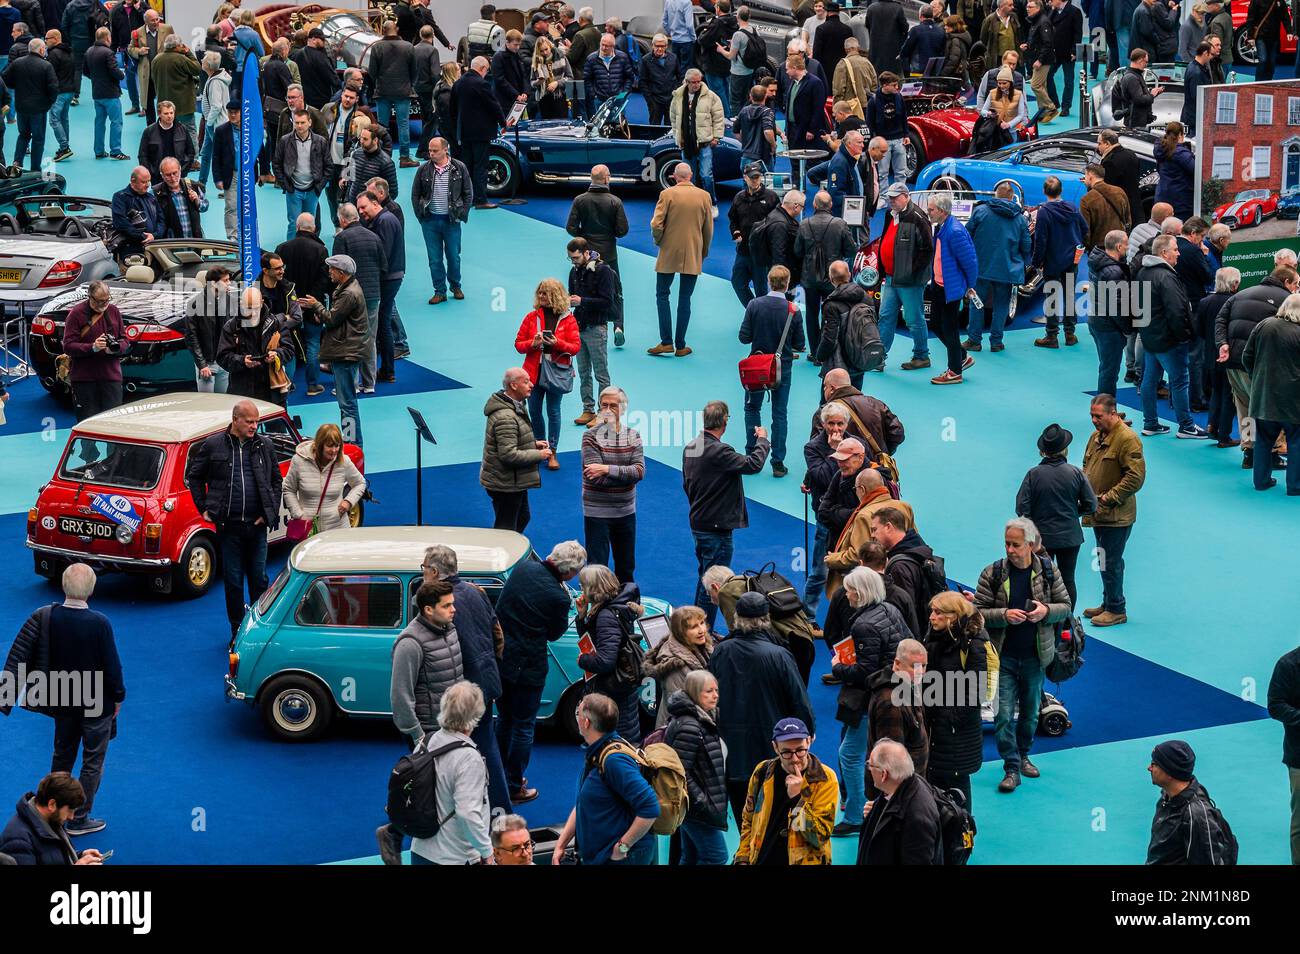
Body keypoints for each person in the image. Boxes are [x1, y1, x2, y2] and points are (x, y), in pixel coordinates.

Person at [972, 517, 1072, 793]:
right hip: (1002, 656)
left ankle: (1024, 754)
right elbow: (977, 613)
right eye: (1007, 543)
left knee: (1029, 714)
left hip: (1035, 656)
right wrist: (1003, 615)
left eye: (1015, 544)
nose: (1010, 550)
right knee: (1003, 715)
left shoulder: (1049, 572)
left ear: (1030, 545)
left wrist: (1045, 612)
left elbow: (1065, 606)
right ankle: (1011, 766)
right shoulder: (992, 573)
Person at [709, 592, 815, 824]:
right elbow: (798, 700)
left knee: (744, 820)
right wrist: (806, 733)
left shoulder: (720, 652)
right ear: (766, 618)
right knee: (777, 818)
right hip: (773, 751)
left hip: (732, 752)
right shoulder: (780, 655)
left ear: (737, 618)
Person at [497, 540, 586, 803]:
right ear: (569, 573)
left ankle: (497, 775)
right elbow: (555, 633)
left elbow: (501, 607)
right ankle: (514, 785)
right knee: (524, 726)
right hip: (529, 666)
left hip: (503, 659)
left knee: (504, 720)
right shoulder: (559, 597)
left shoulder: (523, 569)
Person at [185, 400, 282, 638]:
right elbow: (193, 477)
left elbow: (276, 480)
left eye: (257, 421)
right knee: (234, 582)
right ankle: (237, 631)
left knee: (259, 581)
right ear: (235, 419)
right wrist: (204, 508)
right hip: (229, 529)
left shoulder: (265, 445)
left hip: (257, 527)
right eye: (249, 421)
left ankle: (260, 632)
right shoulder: (212, 445)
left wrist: (268, 512)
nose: (254, 426)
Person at [830, 566, 913, 834]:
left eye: (850, 589)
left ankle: (855, 814)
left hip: (872, 699)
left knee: (850, 754)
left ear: (860, 591)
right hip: (897, 694)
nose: (847, 594)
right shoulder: (890, 609)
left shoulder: (863, 624)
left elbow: (865, 672)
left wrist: (838, 667)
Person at [683, 401, 770, 626]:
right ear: (724, 422)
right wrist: (763, 440)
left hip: (700, 522)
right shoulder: (721, 451)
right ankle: (702, 632)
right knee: (714, 584)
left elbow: (687, 484)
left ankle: (695, 628)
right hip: (716, 528)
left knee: (704, 578)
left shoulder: (692, 446)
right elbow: (754, 464)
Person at [553, 692, 660, 865]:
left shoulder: (614, 761)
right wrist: (561, 844)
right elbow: (582, 803)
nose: (577, 717)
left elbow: (650, 807)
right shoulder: (598, 752)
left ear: (586, 723)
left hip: (622, 859)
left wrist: (622, 847)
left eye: (578, 712)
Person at [1216, 263, 1296, 472]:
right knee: (1270, 409)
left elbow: (1220, 319)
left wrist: (1222, 344)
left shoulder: (1241, 294)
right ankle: (1272, 453)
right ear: (1286, 282)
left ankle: (1250, 452)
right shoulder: (1286, 300)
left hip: (1233, 361)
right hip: (1260, 365)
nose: (1297, 288)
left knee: (1245, 408)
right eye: (1296, 284)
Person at [1135, 234, 1209, 439]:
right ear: (1164, 253)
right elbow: (1177, 310)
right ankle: (1186, 425)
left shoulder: (1142, 272)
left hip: (1150, 336)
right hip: (1168, 340)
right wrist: (1185, 335)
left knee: (1149, 381)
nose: (1179, 253)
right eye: (1175, 249)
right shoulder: (1167, 277)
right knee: (1179, 381)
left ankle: (1150, 423)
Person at [734, 715, 836, 864]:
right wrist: (743, 858)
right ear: (775, 747)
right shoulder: (762, 771)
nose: (795, 758)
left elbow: (818, 837)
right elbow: (748, 820)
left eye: (800, 750)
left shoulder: (824, 779)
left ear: (809, 741)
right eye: (786, 752)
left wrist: (797, 800)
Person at [1081, 392, 1146, 627]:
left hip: (1116, 515)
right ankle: (1108, 602)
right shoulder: (1095, 437)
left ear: (1113, 413)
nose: (1094, 420)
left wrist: (1108, 498)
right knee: (1103, 559)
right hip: (1098, 512)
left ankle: (1117, 608)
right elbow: (1087, 466)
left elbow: (1135, 478)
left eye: (1098, 416)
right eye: (1091, 415)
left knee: (1111, 561)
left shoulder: (1128, 440)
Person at [1016, 424, 1097, 608]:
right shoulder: (1076, 473)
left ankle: (1041, 619)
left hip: (1041, 539)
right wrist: (1072, 512)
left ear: (1042, 451)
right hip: (1070, 537)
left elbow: (1021, 508)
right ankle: (1066, 621)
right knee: (1068, 580)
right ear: (1064, 449)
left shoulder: (1033, 474)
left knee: (1039, 581)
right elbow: (1091, 504)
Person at [922, 591, 987, 810]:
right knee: (933, 790)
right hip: (935, 729)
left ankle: (963, 839)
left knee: (958, 796)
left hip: (957, 735)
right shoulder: (933, 636)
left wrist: (948, 717)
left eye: (938, 612)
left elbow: (975, 694)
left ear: (954, 616)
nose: (932, 616)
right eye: (932, 611)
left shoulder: (973, 644)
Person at [740, 265, 806, 477]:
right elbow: (800, 343)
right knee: (779, 413)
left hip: (757, 367)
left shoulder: (754, 304)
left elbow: (744, 337)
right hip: (782, 368)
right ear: (787, 285)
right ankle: (778, 462)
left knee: (752, 409)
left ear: (769, 281)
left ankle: (752, 454)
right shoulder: (793, 310)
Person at [661, 670, 726, 865]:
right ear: (695, 693)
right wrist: (700, 800)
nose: (715, 695)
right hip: (697, 807)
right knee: (716, 856)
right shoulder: (690, 726)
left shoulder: (702, 718)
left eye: (716, 690)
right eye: (708, 691)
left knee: (690, 856)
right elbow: (680, 772)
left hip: (695, 806)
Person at [648, 163, 714, 356]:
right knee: (685, 298)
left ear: (674, 177)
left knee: (662, 295)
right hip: (692, 252)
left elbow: (656, 224)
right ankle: (681, 344)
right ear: (691, 175)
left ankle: (666, 342)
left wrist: (659, 241)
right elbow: (708, 229)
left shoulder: (667, 194)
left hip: (669, 250)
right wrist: (702, 251)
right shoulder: (704, 196)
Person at [512, 279, 579, 470]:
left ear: (555, 296)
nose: (541, 296)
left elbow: (575, 347)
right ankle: (540, 448)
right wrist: (532, 344)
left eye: (545, 293)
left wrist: (557, 342)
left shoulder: (569, 319)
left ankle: (553, 452)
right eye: (540, 293)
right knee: (533, 410)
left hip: (556, 373)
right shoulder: (531, 317)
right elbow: (518, 344)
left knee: (554, 412)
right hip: (533, 372)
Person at [581, 385, 643, 582]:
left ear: (623, 409)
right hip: (597, 512)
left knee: (626, 568)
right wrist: (625, 476)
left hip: (626, 511)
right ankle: (596, 612)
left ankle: (625, 609)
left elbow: (639, 472)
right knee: (597, 571)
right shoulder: (590, 437)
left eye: (613, 405)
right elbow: (594, 477)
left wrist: (607, 469)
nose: (608, 410)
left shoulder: (633, 435)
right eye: (604, 405)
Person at [575, 566, 643, 742]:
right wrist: (582, 618)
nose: (581, 590)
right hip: (622, 688)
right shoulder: (619, 604)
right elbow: (594, 640)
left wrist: (584, 660)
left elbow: (605, 661)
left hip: (612, 691)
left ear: (593, 589)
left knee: (615, 746)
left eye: (583, 586)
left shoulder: (605, 615)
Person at [481, 366, 553, 531]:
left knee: (521, 517)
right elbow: (508, 454)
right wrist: (538, 454)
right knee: (506, 528)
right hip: (505, 484)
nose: (532, 385)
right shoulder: (506, 417)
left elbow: (508, 441)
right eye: (526, 381)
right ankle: (505, 555)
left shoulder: (513, 406)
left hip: (511, 481)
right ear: (513, 386)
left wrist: (532, 444)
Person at [1243, 292, 1300, 495]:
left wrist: (1257, 377)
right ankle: (1295, 485)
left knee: (1263, 441)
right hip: (1293, 398)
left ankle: (1261, 480)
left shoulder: (1263, 325)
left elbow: (1246, 356)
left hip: (1263, 395)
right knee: (1296, 441)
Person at [825, 467, 915, 597]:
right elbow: (912, 536)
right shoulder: (904, 507)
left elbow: (859, 554)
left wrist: (832, 559)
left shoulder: (865, 515)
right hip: (902, 573)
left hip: (868, 587)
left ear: (862, 489)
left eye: (855, 489)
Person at [963, 181, 1030, 353]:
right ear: (1011, 196)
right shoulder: (1020, 219)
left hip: (982, 267)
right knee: (1001, 305)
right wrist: (1024, 261)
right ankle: (996, 342)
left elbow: (967, 236)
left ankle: (974, 340)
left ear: (996, 195)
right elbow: (1026, 245)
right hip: (1007, 269)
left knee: (977, 303)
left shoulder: (980, 211)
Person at [1146, 740, 1236, 864]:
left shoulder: (1196, 815)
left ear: (1169, 771)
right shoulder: (1166, 797)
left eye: (1154, 764)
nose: (1149, 768)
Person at [875, 182, 934, 369]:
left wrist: (911, 273)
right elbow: (884, 239)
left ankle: (922, 355)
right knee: (885, 316)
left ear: (906, 196)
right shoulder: (889, 215)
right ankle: (879, 358)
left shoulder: (918, 218)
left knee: (914, 319)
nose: (891, 201)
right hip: (892, 278)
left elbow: (927, 250)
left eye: (895, 197)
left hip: (910, 281)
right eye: (889, 198)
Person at [856, 739, 942, 864]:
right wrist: (877, 814)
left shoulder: (917, 820)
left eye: (870, 765)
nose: (869, 768)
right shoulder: (902, 783)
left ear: (884, 775)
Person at [408, 137, 471, 308]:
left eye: (435, 150)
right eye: (430, 150)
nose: (431, 153)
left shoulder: (459, 168)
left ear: (445, 150)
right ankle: (439, 291)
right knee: (434, 259)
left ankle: (456, 286)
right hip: (430, 222)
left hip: (452, 221)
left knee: (453, 257)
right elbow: (415, 194)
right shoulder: (423, 170)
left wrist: (462, 214)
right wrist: (420, 217)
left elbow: (468, 193)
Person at [925, 192, 980, 386]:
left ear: (941, 211)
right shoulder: (941, 227)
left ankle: (955, 371)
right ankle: (962, 356)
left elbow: (970, 261)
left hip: (951, 288)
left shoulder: (954, 232)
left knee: (949, 328)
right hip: (940, 285)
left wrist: (970, 286)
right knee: (936, 324)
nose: (928, 212)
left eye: (931, 209)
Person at [332, 202, 386, 393]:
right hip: (373, 295)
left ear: (342, 220)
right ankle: (369, 383)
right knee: (369, 339)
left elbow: (337, 271)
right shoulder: (374, 237)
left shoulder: (342, 238)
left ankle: (351, 384)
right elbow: (383, 266)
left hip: (351, 297)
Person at [796, 189, 856, 357]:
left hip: (810, 279)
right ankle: (827, 351)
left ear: (814, 205)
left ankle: (815, 352)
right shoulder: (840, 224)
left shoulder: (804, 224)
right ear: (830, 205)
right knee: (831, 314)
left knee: (811, 314)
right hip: (833, 278)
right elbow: (851, 250)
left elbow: (797, 251)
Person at [275, 214, 330, 396]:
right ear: (313, 228)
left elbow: (280, 279)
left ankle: (287, 384)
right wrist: (310, 300)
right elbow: (324, 280)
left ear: (297, 227)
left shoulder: (282, 248)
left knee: (288, 343)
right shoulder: (321, 250)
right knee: (313, 343)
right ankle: (313, 385)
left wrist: (294, 301)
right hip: (313, 306)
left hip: (289, 306)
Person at [866, 640, 930, 790]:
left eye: (924, 665)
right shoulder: (891, 702)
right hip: (898, 792)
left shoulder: (908, 686)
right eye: (914, 666)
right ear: (897, 663)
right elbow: (891, 763)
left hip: (911, 785)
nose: (921, 671)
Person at [0, 774, 104, 865]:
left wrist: (80, 856)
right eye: (70, 810)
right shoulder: (18, 842)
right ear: (52, 804)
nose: (71, 817)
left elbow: (52, 855)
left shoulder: (50, 819)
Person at [1032, 176, 1086, 348]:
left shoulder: (1044, 212)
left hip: (1053, 260)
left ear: (1044, 191)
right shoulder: (1073, 208)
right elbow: (1085, 229)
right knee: (1070, 294)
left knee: (1052, 297)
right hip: (1072, 259)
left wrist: (1036, 261)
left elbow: (1040, 240)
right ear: (1061, 190)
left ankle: (1052, 335)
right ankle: (1070, 333)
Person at [216, 286, 295, 406]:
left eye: (256, 308)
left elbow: (289, 350)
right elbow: (222, 357)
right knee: (245, 424)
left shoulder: (275, 323)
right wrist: (242, 361)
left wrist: (277, 355)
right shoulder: (231, 327)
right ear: (241, 304)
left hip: (272, 389)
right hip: (242, 390)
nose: (252, 313)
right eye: (248, 308)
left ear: (262, 303)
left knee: (276, 424)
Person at [282, 422, 364, 535]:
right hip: (309, 530)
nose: (334, 450)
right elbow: (288, 490)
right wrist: (298, 514)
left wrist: (348, 502)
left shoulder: (344, 462)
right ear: (320, 445)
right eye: (330, 446)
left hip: (339, 528)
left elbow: (360, 483)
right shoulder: (298, 461)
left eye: (337, 445)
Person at [356, 190, 403, 385]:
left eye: (363, 207)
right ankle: (387, 369)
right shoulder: (385, 220)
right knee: (383, 321)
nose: (361, 212)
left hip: (387, 278)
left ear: (375, 203)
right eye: (358, 209)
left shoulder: (384, 222)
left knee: (382, 323)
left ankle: (387, 369)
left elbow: (382, 253)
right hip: (392, 276)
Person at [61, 280, 124, 422]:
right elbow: (68, 346)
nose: (104, 304)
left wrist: (114, 349)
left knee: (114, 424)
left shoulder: (113, 310)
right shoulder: (76, 313)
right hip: (84, 379)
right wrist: (92, 347)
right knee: (87, 423)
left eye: (107, 300)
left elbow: (125, 340)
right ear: (90, 296)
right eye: (100, 301)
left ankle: (114, 446)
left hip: (111, 377)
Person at [450, 56, 506, 209]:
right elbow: (493, 105)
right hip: (481, 133)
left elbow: (452, 110)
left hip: (464, 132)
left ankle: (465, 197)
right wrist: (503, 122)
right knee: (481, 166)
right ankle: (480, 200)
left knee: (466, 165)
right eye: (486, 70)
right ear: (482, 69)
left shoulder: (458, 83)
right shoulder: (482, 84)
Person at [645, 606, 713, 727]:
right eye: (693, 627)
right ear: (681, 632)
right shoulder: (675, 666)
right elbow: (681, 706)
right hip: (682, 730)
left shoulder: (701, 647)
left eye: (702, 623)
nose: (701, 630)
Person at [669, 68, 726, 209]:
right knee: (689, 178)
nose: (696, 85)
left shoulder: (711, 96)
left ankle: (712, 203)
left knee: (706, 175)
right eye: (693, 82)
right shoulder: (678, 96)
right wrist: (678, 136)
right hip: (686, 143)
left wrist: (716, 137)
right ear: (687, 82)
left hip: (705, 143)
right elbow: (673, 117)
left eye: (698, 81)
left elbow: (718, 117)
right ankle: (691, 205)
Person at [727, 162, 779, 305]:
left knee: (761, 290)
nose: (755, 180)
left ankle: (760, 319)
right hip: (743, 251)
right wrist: (735, 232)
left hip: (761, 254)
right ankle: (754, 311)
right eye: (752, 177)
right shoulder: (739, 197)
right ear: (745, 178)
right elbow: (733, 219)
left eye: (757, 177)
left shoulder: (771, 197)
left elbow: (777, 224)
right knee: (737, 283)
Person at [2, 34, 52, 169]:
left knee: (23, 135)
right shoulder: (46, 66)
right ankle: (35, 168)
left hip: (21, 107)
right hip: (39, 109)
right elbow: (53, 88)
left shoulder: (17, 63)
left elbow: (5, 79)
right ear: (41, 50)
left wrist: (17, 87)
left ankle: (17, 163)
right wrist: (48, 104)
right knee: (38, 138)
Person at [184, 267, 237, 393]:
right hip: (208, 363)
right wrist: (202, 364)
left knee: (223, 401)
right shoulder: (195, 303)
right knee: (207, 403)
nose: (229, 284)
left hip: (224, 361)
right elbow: (191, 337)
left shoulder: (230, 300)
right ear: (213, 283)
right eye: (226, 280)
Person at [816, 261, 870, 383]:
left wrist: (820, 356)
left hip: (837, 363)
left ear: (830, 278)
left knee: (830, 400)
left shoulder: (831, 304)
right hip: (859, 358)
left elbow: (829, 337)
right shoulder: (866, 298)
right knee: (854, 398)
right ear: (849, 275)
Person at [85, 26, 126, 160]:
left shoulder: (89, 51)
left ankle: (99, 151)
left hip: (97, 93)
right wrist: (121, 75)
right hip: (111, 93)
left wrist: (97, 78)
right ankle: (115, 150)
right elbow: (114, 70)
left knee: (99, 122)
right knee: (116, 121)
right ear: (108, 38)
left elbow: (85, 71)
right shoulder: (108, 53)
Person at [150, 34, 201, 142]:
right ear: (177, 46)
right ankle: (193, 157)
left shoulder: (156, 59)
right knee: (190, 131)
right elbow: (197, 69)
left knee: (167, 132)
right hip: (184, 105)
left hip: (164, 105)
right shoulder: (181, 59)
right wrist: (188, 52)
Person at [1097, 130, 1144, 234]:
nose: (1098, 147)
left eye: (1099, 143)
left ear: (1107, 143)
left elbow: (1107, 187)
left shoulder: (1110, 161)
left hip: (1119, 209)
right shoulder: (1131, 154)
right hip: (1135, 204)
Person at [138, 100, 196, 183]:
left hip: (178, 176)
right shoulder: (149, 132)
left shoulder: (183, 129)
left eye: (171, 113)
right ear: (159, 114)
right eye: (166, 113)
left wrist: (183, 171)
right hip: (157, 177)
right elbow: (142, 155)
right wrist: (151, 173)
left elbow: (191, 152)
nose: (169, 116)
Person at [784, 52, 829, 158]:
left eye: (787, 69)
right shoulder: (793, 83)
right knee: (794, 161)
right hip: (792, 130)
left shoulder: (815, 83)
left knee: (808, 163)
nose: (786, 72)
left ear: (794, 68)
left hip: (806, 131)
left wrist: (812, 130)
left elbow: (818, 108)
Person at [1080, 163, 1131, 250]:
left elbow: (1085, 230)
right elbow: (1128, 220)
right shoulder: (1119, 191)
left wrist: (1088, 247)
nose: (1085, 178)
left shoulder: (1086, 199)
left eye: (1085, 175)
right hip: (1119, 244)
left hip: (1100, 247)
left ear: (1090, 176)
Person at [154, 156, 206, 240]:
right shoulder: (156, 193)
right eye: (168, 175)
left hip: (195, 241)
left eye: (175, 173)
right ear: (162, 175)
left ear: (180, 170)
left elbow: (205, 207)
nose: (173, 177)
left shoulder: (193, 186)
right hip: (172, 244)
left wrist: (197, 200)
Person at [583, 31, 633, 117]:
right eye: (602, 44)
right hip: (599, 99)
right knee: (600, 127)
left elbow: (629, 77)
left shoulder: (622, 57)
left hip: (618, 98)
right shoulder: (591, 59)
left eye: (607, 46)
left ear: (613, 46)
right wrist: (593, 95)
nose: (603, 47)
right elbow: (587, 79)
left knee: (618, 125)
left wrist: (623, 94)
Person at [212, 103, 242, 239]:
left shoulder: (250, 129)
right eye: (230, 112)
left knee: (246, 205)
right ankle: (232, 236)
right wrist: (217, 178)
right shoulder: (221, 131)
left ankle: (246, 233)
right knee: (231, 205)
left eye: (236, 112)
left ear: (242, 112)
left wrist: (263, 172)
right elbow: (216, 155)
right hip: (231, 174)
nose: (233, 115)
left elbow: (260, 151)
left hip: (247, 174)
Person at [43, 28, 73, 161]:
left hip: (59, 92)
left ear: (55, 39)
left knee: (54, 119)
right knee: (64, 118)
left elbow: (49, 74)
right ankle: (64, 146)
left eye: (47, 39)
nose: (45, 41)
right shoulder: (69, 52)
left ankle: (64, 146)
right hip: (69, 90)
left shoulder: (54, 54)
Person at [1243, 0, 1291, 80]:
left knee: (1271, 62)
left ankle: (1268, 82)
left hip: (1274, 36)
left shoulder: (1279, 1)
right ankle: (1258, 83)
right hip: (1261, 36)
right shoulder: (1256, 1)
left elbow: (1285, 16)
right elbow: (1250, 18)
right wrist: (1250, 36)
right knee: (1263, 60)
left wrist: (1289, 31)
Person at [294, 27, 339, 110]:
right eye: (322, 39)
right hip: (320, 100)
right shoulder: (320, 57)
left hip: (305, 99)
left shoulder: (298, 54)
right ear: (314, 39)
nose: (324, 42)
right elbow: (332, 78)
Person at [1116, 48, 1162, 128]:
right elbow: (1139, 99)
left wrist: (1152, 92)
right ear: (1139, 60)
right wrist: (1151, 95)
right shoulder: (1132, 78)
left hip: (1136, 120)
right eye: (1146, 62)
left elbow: (1137, 94)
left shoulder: (1133, 75)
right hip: (1135, 123)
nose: (1146, 64)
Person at [530, 35, 572, 120]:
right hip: (544, 98)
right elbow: (532, 82)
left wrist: (557, 83)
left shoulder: (561, 57)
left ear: (550, 46)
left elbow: (570, 77)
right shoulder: (536, 62)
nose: (545, 53)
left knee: (561, 125)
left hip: (560, 97)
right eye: (541, 51)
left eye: (546, 49)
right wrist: (538, 82)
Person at [640, 33, 678, 124]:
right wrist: (650, 100)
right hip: (655, 100)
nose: (660, 49)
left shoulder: (673, 58)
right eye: (657, 46)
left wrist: (676, 93)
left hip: (671, 98)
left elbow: (680, 76)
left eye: (662, 46)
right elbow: (642, 81)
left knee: (670, 127)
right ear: (652, 45)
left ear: (666, 46)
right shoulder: (646, 60)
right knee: (654, 127)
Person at [491, 28, 529, 118]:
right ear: (507, 42)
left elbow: (524, 75)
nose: (518, 47)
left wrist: (525, 92)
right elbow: (500, 80)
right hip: (504, 100)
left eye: (519, 45)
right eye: (515, 45)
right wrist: (515, 95)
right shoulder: (498, 57)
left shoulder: (517, 54)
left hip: (518, 99)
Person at [864, 0, 909, 74]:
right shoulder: (897, 8)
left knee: (877, 76)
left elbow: (867, 25)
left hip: (875, 51)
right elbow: (905, 28)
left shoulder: (871, 8)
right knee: (894, 78)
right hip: (893, 52)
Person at [900, 5, 944, 74]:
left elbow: (904, 52)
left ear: (920, 16)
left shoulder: (915, 30)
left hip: (918, 73)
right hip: (936, 73)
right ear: (932, 16)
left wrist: (906, 72)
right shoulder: (941, 31)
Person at [1181, 40, 1211, 130]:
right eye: (1210, 55)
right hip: (1194, 118)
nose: (1210, 58)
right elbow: (1198, 97)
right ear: (1205, 53)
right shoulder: (1196, 73)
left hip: (1191, 114)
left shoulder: (1191, 65)